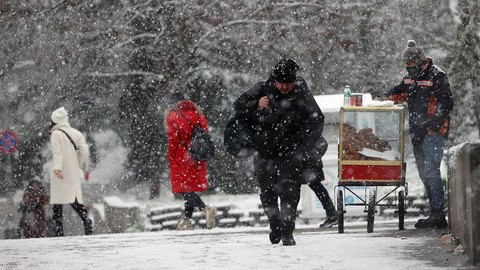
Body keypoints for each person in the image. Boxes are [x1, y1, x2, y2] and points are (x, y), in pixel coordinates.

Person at [233, 59, 332, 245]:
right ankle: (274, 223)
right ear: (275, 80)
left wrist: (303, 145)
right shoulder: (262, 89)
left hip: (291, 152)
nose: (285, 87)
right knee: (268, 192)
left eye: (289, 83)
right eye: (281, 83)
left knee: (289, 192)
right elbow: (238, 107)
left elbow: (316, 119)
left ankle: (287, 231)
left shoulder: (301, 91)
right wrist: (256, 105)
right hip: (265, 152)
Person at [378, 40, 454, 229]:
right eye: (407, 68)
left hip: (433, 132)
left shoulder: (437, 75)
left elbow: (446, 104)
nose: (409, 71)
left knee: (432, 172)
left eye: (412, 67)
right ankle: (434, 211)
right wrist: (380, 98)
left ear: (421, 62)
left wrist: (433, 126)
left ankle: (438, 213)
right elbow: (399, 92)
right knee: (424, 174)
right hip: (417, 131)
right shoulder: (410, 78)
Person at [164, 93, 217, 230]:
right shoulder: (198, 113)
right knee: (189, 189)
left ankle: (204, 209)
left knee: (186, 190)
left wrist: (170, 156)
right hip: (197, 155)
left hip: (182, 157)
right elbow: (205, 133)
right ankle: (187, 220)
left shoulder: (173, 116)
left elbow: (173, 140)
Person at [49, 106, 93, 236]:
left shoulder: (56, 134)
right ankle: (86, 221)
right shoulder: (77, 133)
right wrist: (77, 163)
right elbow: (84, 152)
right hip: (72, 171)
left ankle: (59, 231)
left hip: (60, 172)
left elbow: (58, 154)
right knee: (73, 199)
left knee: (58, 202)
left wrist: (57, 168)